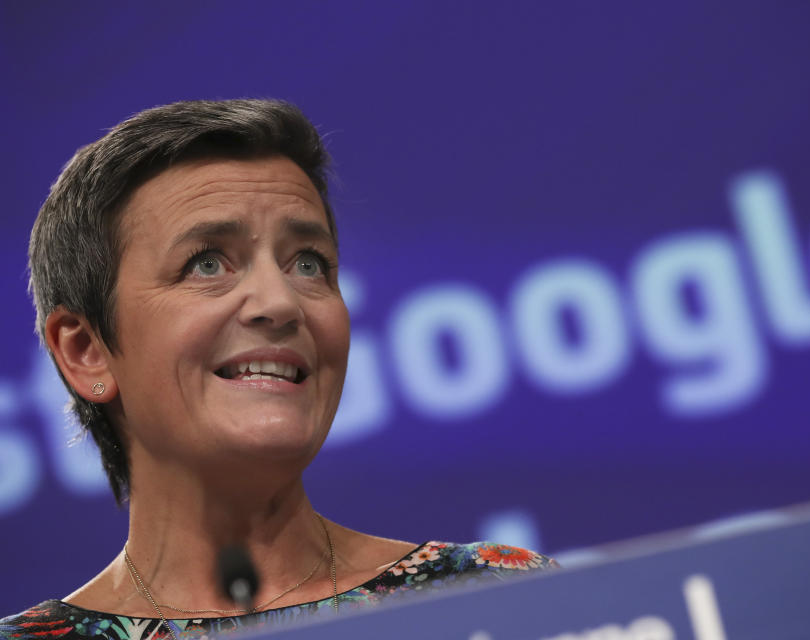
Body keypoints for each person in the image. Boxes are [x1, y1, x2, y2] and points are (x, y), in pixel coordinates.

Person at [0, 99, 556, 640]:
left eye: (308, 264)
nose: (281, 301)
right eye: (207, 263)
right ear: (85, 350)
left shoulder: (500, 599)